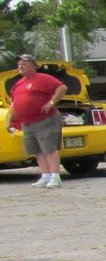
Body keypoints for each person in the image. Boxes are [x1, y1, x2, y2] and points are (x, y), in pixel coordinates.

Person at [8, 54, 66, 189]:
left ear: (34, 66)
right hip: (27, 122)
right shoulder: (19, 83)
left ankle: (55, 176)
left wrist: (51, 102)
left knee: (49, 149)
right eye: (19, 65)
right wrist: (10, 121)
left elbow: (61, 87)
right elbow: (14, 103)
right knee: (37, 150)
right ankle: (45, 176)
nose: (21, 67)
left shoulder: (43, 78)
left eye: (24, 64)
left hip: (45, 120)